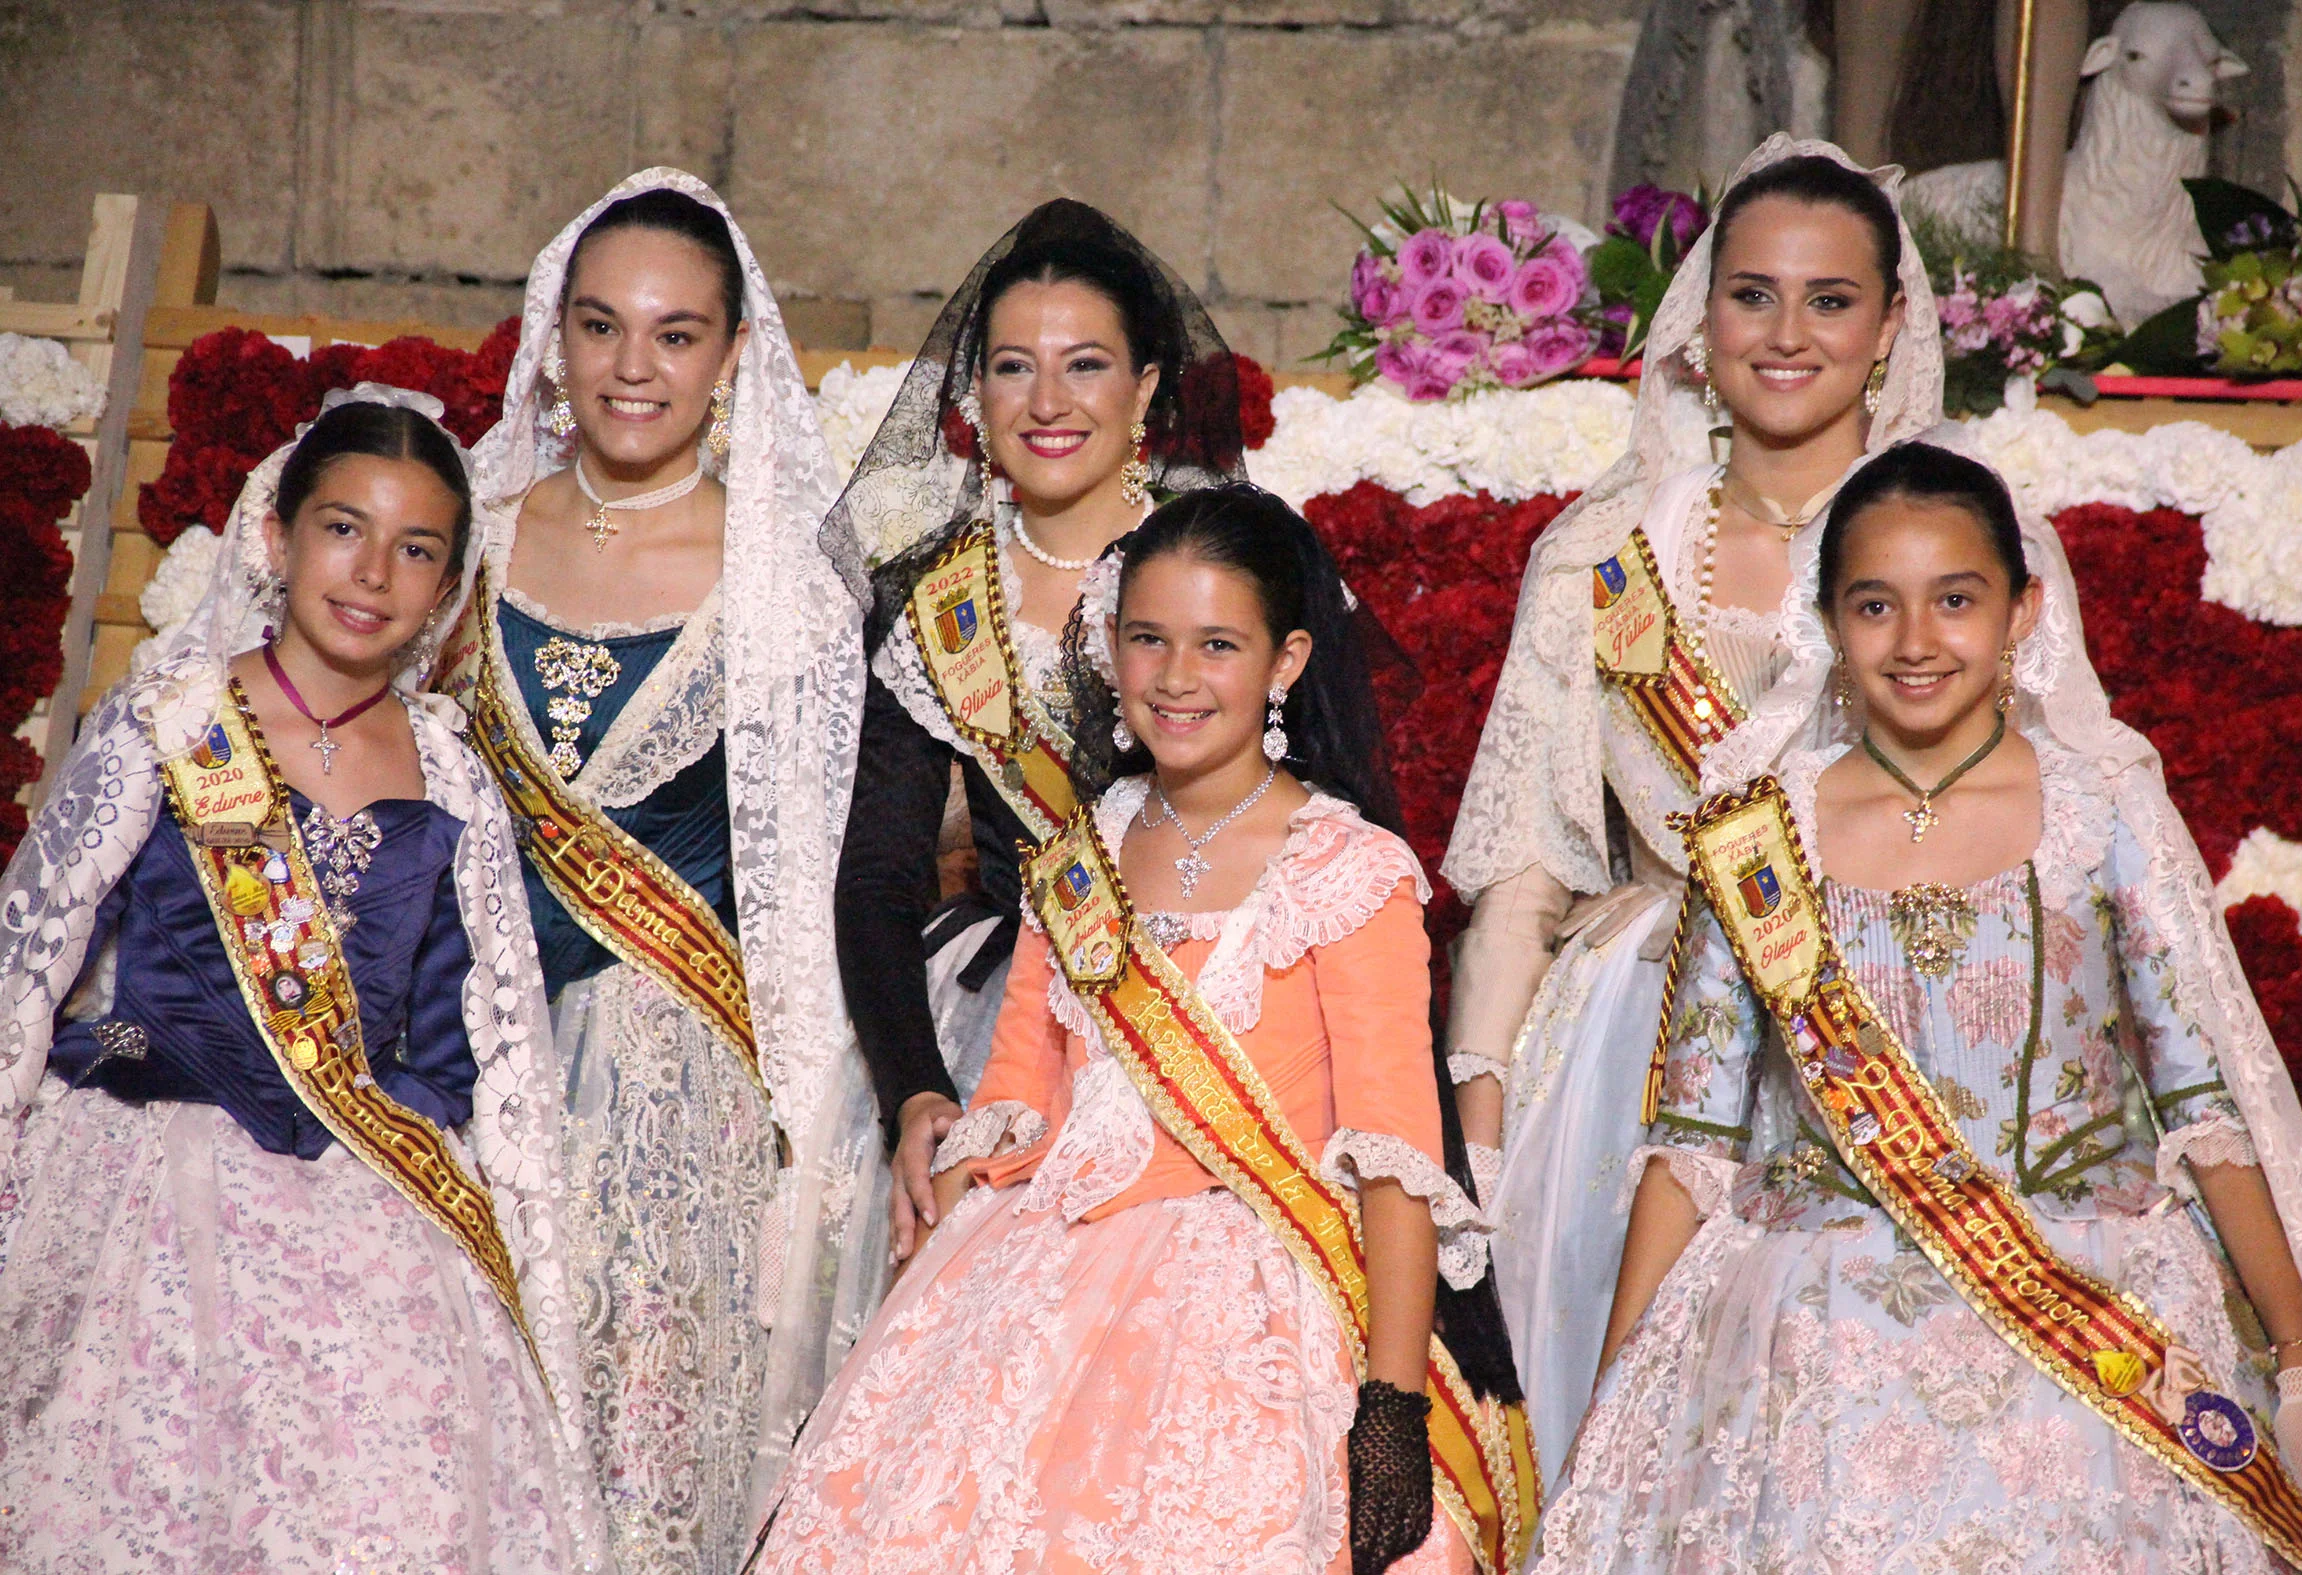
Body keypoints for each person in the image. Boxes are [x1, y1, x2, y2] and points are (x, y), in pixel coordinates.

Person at [1536, 442, 2302, 1571]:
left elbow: (2202, 1112)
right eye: (1874, 605)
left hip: (2094, 1339)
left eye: (1956, 600)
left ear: (2022, 611)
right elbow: (1692, 1145)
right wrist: (1618, 1397)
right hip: (1815, 1343)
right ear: (1826, 622)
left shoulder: (2097, 814)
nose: (1916, 642)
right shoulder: (1756, 833)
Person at [746, 485, 1532, 1575]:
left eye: (1217, 644)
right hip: (1038, 1273)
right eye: (1147, 639)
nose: (1174, 677)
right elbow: (1020, 1086)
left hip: (1252, 1308)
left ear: (1286, 662)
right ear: (1109, 646)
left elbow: (1399, 1159)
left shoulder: (1346, 872)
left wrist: (1392, 1408)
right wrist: (927, 1329)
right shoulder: (1080, 852)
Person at [0, 389, 604, 1572]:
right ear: (278, 538)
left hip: (374, 1176)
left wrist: (524, 1238)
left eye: (416, 548)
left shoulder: (451, 772)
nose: (373, 572)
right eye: (344, 528)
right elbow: (31, 963)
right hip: (156, 1157)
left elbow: (499, 1036)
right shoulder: (174, 720)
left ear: (446, 588)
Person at [1440, 133, 1945, 1477]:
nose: (1786, 333)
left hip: (1887, 1028)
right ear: (1698, 315)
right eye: (1751, 293)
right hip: (1629, 1038)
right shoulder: (1598, 553)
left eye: (1828, 300)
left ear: (1888, 326)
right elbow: (1521, 875)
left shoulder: (1957, 547)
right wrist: (1477, 1151)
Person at [438, 169, 864, 1569]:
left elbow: (809, 872)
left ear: (734, 354)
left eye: (677, 335)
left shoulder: (784, 573)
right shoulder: (461, 532)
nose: (635, 366)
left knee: (633, 1449)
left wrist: (810, 1141)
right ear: (552, 336)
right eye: (603, 326)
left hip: (671, 1082)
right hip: (454, 1045)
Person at [824, 199, 1251, 1273]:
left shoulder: (1224, 562)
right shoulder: (936, 600)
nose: (1048, 403)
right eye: (1014, 368)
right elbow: (878, 870)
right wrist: (917, 1086)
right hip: (1003, 1017)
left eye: (1087, 366)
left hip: (1220, 1002)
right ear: (975, 393)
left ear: (1147, 386)